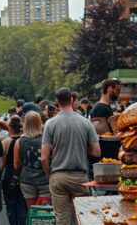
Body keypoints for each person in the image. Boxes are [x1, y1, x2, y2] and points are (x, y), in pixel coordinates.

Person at [42, 88, 101, 225]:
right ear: (72, 100)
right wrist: (81, 146)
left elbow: (44, 157)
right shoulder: (85, 122)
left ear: (57, 102)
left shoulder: (50, 124)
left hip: (58, 176)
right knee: (82, 217)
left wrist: (48, 174)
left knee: (62, 218)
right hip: (80, 176)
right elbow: (96, 152)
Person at [14, 111, 50, 208]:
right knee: (44, 211)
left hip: (27, 179)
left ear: (25, 123)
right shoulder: (45, 140)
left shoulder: (19, 142)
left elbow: (16, 164)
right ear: (39, 123)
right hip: (44, 179)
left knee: (31, 210)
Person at [1, 116, 27, 225]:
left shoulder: (6, 142)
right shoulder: (25, 141)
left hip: (9, 175)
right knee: (22, 204)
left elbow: (2, 163)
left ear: (10, 128)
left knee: (10, 204)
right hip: (23, 175)